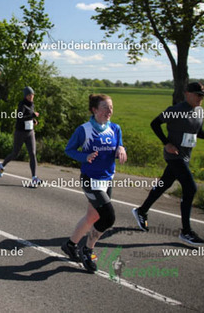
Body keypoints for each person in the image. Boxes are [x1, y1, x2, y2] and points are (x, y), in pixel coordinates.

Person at [132, 82, 204, 246]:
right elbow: (154, 123)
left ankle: (141, 211)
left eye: (203, 95)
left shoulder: (199, 111)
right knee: (191, 188)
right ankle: (186, 231)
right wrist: (166, 143)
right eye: (198, 95)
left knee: (164, 184)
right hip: (174, 156)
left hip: (185, 156)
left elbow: (197, 132)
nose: (201, 98)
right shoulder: (176, 110)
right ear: (187, 94)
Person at [61, 94, 127, 273]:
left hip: (107, 179)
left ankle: (70, 245)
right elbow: (69, 150)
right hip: (91, 180)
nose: (109, 111)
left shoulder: (115, 128)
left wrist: (121, 149)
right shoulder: (84, 130)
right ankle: (87, 250)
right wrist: (85, 156)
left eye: (111, 107)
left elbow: (119, 145)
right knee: (108, 217)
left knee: (92, 217)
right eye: (105, 107)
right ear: (95, 110)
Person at [0, 86, 41, 187]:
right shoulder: (22, 105)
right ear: (25, 96)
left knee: (32, 154)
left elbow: (29, 115)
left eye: (32, 95)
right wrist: (32, 116)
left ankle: (34, 178)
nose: (31, 97)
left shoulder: (32, 104)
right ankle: (2, 165)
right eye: (29, 95)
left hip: (30, 132)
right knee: (15, 154)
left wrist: (33, 120)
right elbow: (20, 117)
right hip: (20, 132)